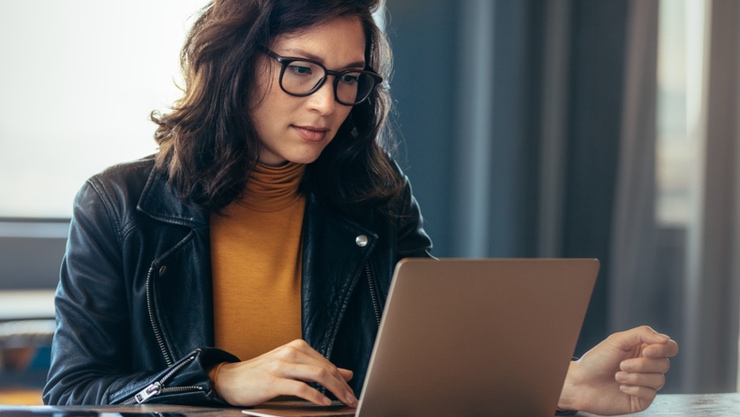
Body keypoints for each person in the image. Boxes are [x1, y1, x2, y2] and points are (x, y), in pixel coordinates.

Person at [42, 0, 679, 415]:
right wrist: (219, 382)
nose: (327, 103)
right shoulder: (120, 205)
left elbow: (432, 363)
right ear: (233, 65)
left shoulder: (375, 195)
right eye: (301, 70)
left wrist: (562, 383)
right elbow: (71, 393)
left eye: (350, 78)